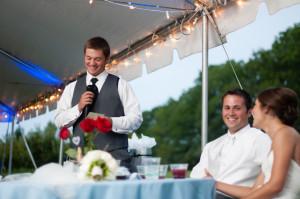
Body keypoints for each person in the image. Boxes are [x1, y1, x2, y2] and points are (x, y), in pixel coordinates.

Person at [54, 36, 143, 170]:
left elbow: (136, 119)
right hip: (80, 163)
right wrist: (78, 107)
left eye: (97, 59)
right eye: (88, 58)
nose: (92, 63)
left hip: (115, 162)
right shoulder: (71, 88)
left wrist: (111, 121)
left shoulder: (121, 85)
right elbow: (59, 121)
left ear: (107, 59)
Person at [209, 87, 300, 199]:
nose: (253, 111)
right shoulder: (277, 140)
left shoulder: (285, 133)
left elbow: (276, 186)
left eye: (256, 105)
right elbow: (255, 190)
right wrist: (214, 183)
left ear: (266, 109)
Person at [190, 88, 271, 199]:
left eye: (237, 108)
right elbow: (196, 177)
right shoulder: (211, 146)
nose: (231, 113)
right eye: (227, 108)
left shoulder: (260, 139)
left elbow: (271, 182)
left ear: (249, 112)